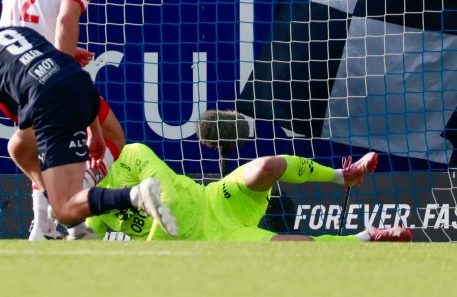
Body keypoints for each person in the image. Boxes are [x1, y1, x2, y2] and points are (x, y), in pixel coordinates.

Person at [0, 0, 178, 235]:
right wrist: (94, 130)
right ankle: (77, 230)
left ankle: (136, 195)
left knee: (64, 207)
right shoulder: (19, 32)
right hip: (82, 87)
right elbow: (65, 65)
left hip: (50, 104)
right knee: (18, 148)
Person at [0, 0, 126, 240]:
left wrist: (63, 51)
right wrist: (62, 64)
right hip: (44, 74)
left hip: (7, 71)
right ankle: (72, 202)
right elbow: (67, 18)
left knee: (33, 147)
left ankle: (44, 227)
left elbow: (20, 17)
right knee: (111, 135)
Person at [85, 110, 412, 242]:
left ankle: (343, 175)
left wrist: (155, 251)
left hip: (213, 200)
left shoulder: (132, 154)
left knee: (267, 167)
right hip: (213, 241)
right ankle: (366, 238)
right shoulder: (92, 201)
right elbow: (87, 242)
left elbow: (165, 195)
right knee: (293, 247)